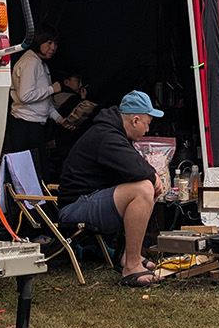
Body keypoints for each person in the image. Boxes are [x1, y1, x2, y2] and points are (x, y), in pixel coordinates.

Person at [56, 90, 169, 286]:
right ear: (135, 120)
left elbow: (133, 167)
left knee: (146, 187)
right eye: (147, 124)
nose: (148, 130)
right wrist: (153, 176)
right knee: (143, 189)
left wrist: (151, 177)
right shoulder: (107, 136)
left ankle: (129, 255)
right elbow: (136, 168)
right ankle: (131, 266)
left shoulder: (113, 133)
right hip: (76, 206)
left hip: (90, 199)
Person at [4, 31, 61, 157]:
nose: (53, 48)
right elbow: (25, 96)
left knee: (38, 169)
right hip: (25, 125)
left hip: (35, 124)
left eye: (55, 43)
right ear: (38, 41)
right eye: (49, 43)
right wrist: (51, 89)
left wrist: (59, 119)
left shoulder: (41, 64)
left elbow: (43, 100)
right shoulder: (31, 62)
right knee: (33, 170)